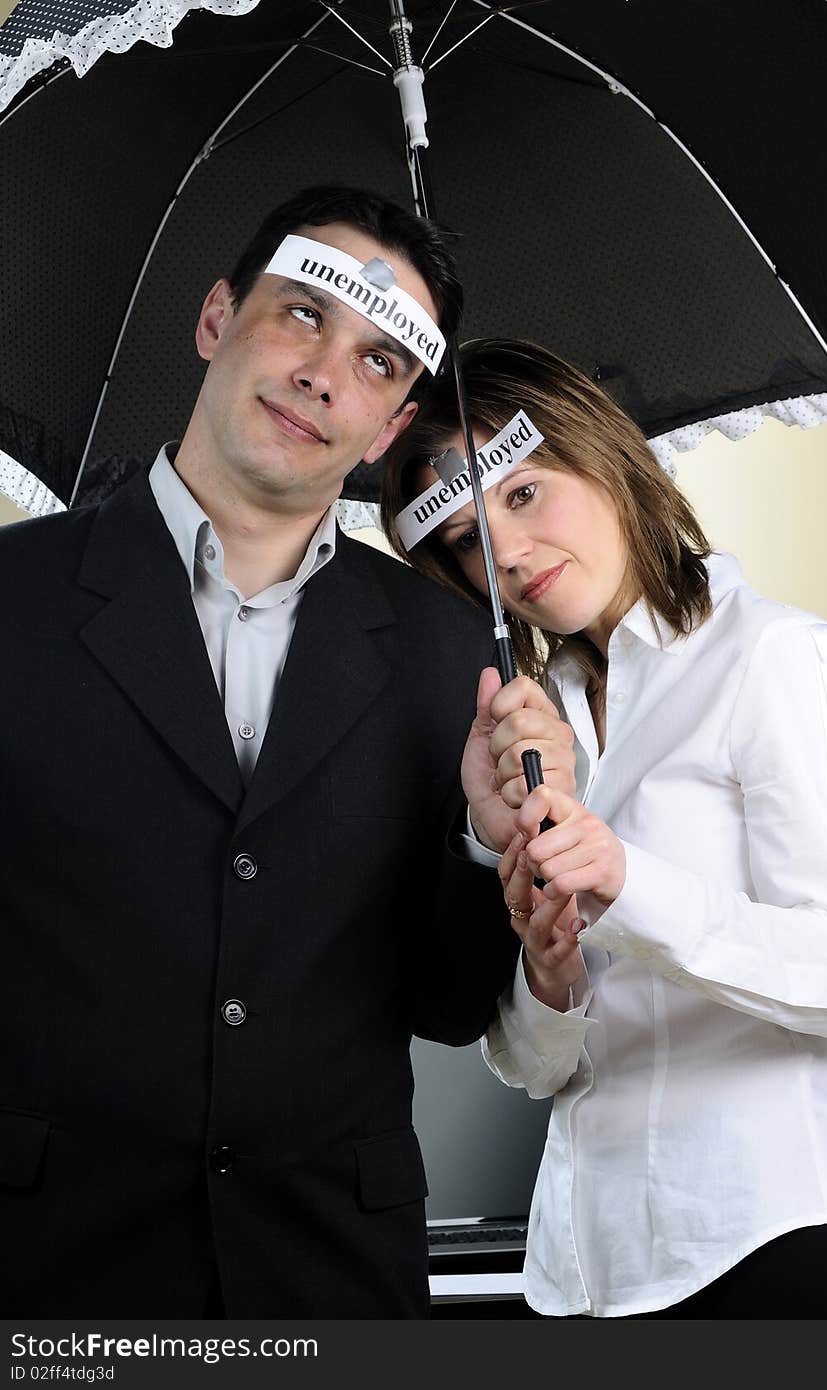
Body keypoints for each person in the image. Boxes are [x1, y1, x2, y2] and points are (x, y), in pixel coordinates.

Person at [0, 192, 571, 1319]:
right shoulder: (13, 599)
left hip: (331, 1279)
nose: (324, 374)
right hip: (53, 1273)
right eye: (301, 314)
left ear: (395, 424)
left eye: (377, 360)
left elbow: (451, 1006)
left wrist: (484, 843)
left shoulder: (450, 652)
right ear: (216, 318)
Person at [381, 337, 827, 1318]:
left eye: (524, 493)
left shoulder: (774, 658)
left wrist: (627, 879)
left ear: (600, 451)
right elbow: (537, 1071)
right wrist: (548, 978)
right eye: (468, 538)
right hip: (580, 1272)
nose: (508, 554)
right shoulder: (538, 731)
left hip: (767, 1246)